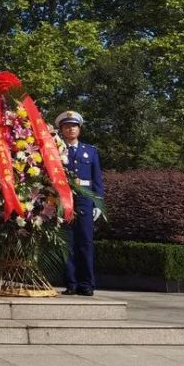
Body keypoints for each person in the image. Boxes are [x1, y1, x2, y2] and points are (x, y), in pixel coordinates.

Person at [56, 110, 103, 296]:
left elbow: (97, 179)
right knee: (67, 243)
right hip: (64, 198)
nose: (71, 129)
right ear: (61, 130)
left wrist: (97, 202)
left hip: (84, 199)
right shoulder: (55, 151)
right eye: (67, 126)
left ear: (79, 129)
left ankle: (87, 283)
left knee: (85, 242)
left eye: (74, 126)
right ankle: (71, 283)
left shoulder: (90, 151)